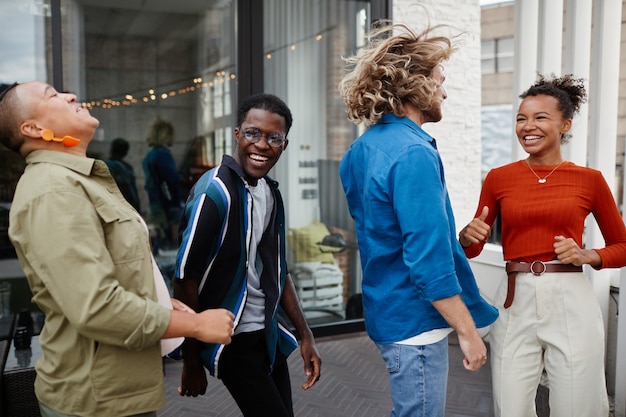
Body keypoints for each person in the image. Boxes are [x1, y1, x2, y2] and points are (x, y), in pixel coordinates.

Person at [0, 81, 235, 417]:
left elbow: (101, 276)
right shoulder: (54, 191)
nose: (70, 96)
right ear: (33, 128)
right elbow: (96, 307)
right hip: (94, 399)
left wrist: (157, 300)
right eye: (52, 95)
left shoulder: (76, 181)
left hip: (114, 391)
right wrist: (196, 325)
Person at [338, 23, 499, 417]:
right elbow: (425, 262)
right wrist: (468, 332)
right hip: (415, 321)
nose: (445, 90)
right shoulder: (413, 153)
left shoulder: (361, 149)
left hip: (387, 309)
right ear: (418, 85)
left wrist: (455, 243)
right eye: (440, 80)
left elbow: (388, 235)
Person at [459, 73, 626, 417]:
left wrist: (588, 255)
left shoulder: (589, 180)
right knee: (511, 406)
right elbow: (473, 248)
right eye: (521, 118)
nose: (527, 126)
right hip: (513, 297)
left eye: (540, 117)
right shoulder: (499, 177)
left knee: (577, 407)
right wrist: (465, 238)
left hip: (570, 298)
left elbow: (622, 245)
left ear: (565, 124)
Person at [173, 93, 322, 417]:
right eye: (253, 133)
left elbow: (278, 270)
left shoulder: (270, 192)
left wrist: (306, 334)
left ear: (284, 144)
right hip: (232, 340)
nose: (262, 144)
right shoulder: (215, 193)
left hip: (265, 333)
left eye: (274, 137)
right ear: (237, 134)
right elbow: (185, 278)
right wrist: (191, 359)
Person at [142, 118, 183, 251]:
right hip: (167, 205)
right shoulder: (162, 155)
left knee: (161, 243)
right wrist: (176, 203)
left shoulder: (150, 155)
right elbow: (171, 182)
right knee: (171, 245)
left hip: (156, 204)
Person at [105, 137, 142, 212]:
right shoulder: (127, 168)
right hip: (127, 206)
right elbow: (132, 191)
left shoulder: (104, 165)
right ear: (125, 152)